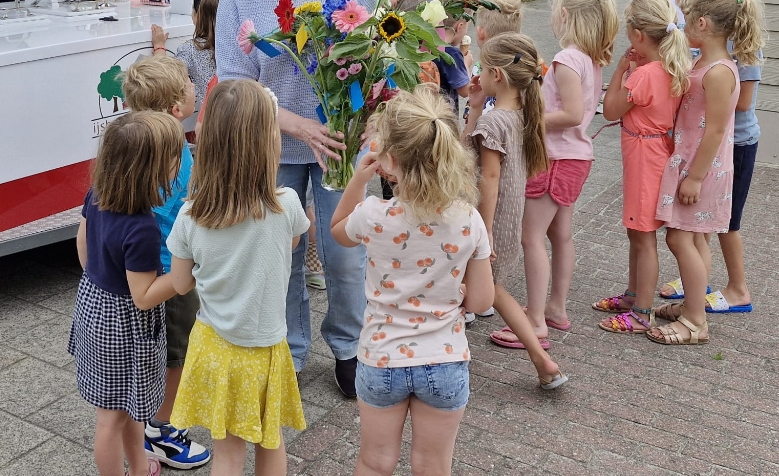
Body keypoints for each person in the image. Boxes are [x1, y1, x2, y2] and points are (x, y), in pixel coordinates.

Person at [215, 0, 371, 397]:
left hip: (339, 145)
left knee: (343, 255)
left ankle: (349, 348)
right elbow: (234, 82)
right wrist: (295, 123)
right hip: (272, 144)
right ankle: (289, 352)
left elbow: (372, 60)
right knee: (277, 255)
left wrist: (366, 114)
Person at [330, 85, 494, 476]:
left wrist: (357, 180)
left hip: (381, 357)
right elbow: (482, 300)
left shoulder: (373, 214)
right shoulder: (468, 219)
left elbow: (337, 231)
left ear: (387, 160)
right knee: (432, 465)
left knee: (375, 461)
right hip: (444, 358)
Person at [166, 80, 308, 476]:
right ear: (269, 143)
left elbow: (179, 283)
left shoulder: (190, 216)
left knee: (227, 454)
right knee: (271, 439)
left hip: (216, 348)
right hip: (266, 349)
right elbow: (294, 243)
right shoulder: (288, 206)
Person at [68, 111, 185, 476]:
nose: (178, 165)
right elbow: (144, 295)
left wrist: (100, 280)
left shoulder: (98, 194)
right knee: (111, 421)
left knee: (126, 407)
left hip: (95, 308)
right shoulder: (143, 228)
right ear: (150, 169)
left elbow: (82, 246)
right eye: (173, 157)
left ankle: (138, 468)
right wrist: (187, 274)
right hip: (125, 327)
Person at [650, 0, 765, 345]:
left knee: (680, 239)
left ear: (702, 24)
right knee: (692, 239)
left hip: (703, 170)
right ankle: (692, 305)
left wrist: (695, 178)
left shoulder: (718, 72)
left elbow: (715, 131)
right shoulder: (707, 63)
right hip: (693, 164)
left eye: (686, 19)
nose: (682, 27)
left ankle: (696, 321)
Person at [119, 55, 209, 470]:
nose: (195, 85)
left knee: (159, 351)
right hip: (170, 269)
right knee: (177, 354)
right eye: (190, 81)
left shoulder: (137, 145)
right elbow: (189, 203)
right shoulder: (172, 149)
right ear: (176, 107)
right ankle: (160, 430)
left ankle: (149, 419)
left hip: (146, 267)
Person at [464, 34, 568, 389]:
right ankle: (541, 360)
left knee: (475, 288)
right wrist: (477, 104)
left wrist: (485, 231)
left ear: (498, 74)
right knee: (493, 289)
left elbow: (487, 179)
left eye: (481, 68)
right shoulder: (522, 114)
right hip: (510, 215)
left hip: (488, 220)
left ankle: (445, 362)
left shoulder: (494, 123)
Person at [520, 0, 618, 340]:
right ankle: (555, 308)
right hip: (576, 158)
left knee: (530, 237)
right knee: (561, 235)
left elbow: (573, 114)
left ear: (564, 15)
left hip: (555, 158)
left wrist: (527, 119)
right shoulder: (590, 59)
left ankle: (534, 321)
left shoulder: (566, 59)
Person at [595, 0, 691, 334]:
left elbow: (610, 110)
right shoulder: (669, 67)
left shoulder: (644, 75)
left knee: (642, 237)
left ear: (637, 36)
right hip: (655, 154)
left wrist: (621, 68)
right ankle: (634, 294)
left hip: (643, 159)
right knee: (637, 232)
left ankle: (640, 312)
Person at [173, 0, 222, 135]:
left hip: (209, 124)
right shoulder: (239, 44)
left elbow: (168, 78)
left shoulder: (188, 49)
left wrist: (159, 47)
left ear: (196, 15)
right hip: (241, 114)